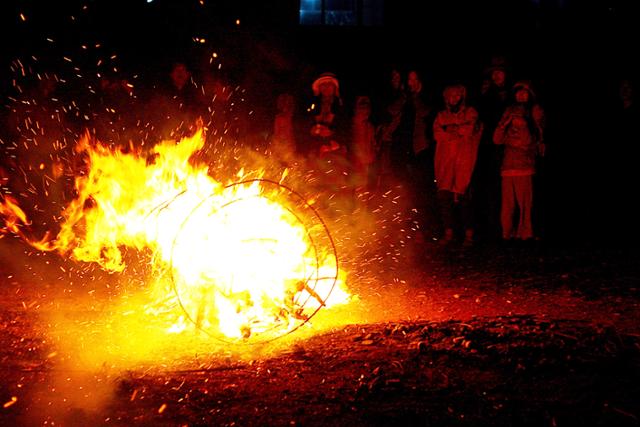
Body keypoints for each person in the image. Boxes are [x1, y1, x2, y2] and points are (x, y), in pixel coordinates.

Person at [493, 80, 545, 242]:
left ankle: (526, 234)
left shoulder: (534, 111)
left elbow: (534, 138)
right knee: (508, 204)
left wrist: (516, 141)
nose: (521, 95)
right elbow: (496, 139)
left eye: (525, 92)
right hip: (508, 165)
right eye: (518, 92)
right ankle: (507, 234)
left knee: (525, 204)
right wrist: (504, 126)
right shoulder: (508, 111)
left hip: (525, 165)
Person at [433, 84, 483, 246]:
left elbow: (470, 130)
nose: (454, 99)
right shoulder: (441, 115)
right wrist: (456, 130)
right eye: (451, 96)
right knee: (445, 199)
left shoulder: (470, 112)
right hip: (445, 164)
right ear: (446, 98)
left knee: (464, 199)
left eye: (457, 96)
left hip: (464, 163)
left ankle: (469, 234)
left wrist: (451, 129)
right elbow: (438, 133)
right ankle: (449, 233)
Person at [475, 56, 511, 243]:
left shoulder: (513, 93)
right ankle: (492, 229)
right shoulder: (488, 95)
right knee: (491, 187)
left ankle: (510, 229)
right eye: (494, 73)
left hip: (510, 147)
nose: (496, 76)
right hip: (490, 146)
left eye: (499, 72)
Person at [270, 93, 297, 165]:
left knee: (289, 161)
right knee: (280, 161)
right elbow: (277, 132)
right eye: (284, 104)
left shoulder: (292, 117)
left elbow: (292, 131)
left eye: (288, 104)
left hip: (289, 144)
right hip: (281, 142)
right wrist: (276, 144)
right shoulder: (279, 117)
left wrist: (292, 143)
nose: (285, 106)